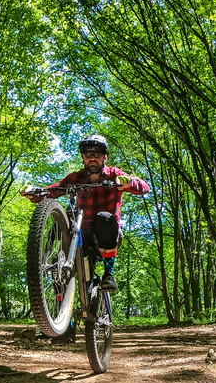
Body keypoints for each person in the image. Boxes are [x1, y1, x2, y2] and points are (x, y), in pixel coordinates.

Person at [21, 134, 150, 343]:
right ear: (83, 157)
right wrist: (34, 193)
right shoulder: (76, 178)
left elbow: (144, 187)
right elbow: (53, 191)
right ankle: (66, 326)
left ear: (105, 157)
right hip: (81, 236)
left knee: (103, 218)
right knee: (59, 267)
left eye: (97, 154)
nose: (92, 158)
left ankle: (109, 272)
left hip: (106, 236)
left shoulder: (114, 175)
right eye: (88, 154)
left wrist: (127, 183)